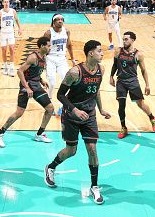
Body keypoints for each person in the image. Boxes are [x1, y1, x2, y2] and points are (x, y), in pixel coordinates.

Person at [44, 40, 111, 205]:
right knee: (71, 151)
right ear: (90, 53)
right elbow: (60, 95)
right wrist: (74, 110)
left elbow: (96, 92)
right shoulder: (75, 72)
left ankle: (94, 187)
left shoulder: (101, 70)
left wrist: (101, 110)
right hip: (71, 116)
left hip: (89, 116)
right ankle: (50, 167)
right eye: (99, 51)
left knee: (92, 149)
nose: (102, 53)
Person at [0, 36, 54, 147]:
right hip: (27, 86)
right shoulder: (33, 57)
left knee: (50, 108)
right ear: (42, 46)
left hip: (36, 85)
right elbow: (20, 72)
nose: (50, 47)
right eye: (49, 45)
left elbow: (35, 72)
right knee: (19, 112)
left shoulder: (44, 56)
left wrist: (41, 80)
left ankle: (39, 134)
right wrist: (27, 87)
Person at [110, 31, 155, 138]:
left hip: (132, 81)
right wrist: (111, 76)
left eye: (126, 39)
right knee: (121, 105)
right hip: (121, 81)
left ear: (132, 40)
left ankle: (152, 118)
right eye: (123, 39)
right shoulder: (118, 51)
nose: (124, 41)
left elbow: (144, 70)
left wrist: (147, 85)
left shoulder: (138, 54)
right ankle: (123, 127)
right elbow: (114, 65)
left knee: (140, 103)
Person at [44, 14, 76, 115]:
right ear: (54, 22)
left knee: (66, 82)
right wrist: (42, 61)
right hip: (51, 58)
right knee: (52, 82)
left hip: (62, 58)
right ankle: (48, 104)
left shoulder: (66, 31)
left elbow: (69, 45)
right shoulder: (48, 33)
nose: (60, 21)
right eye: (58, 20)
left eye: (62, 20)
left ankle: (63, 106)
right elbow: (43, 48)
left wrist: (73, 59)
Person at [0, 0, 22, 77]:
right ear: (2, 3)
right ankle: (5, 66)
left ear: (9, 3)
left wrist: (20, 28)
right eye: (5, 2)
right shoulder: (0, 12)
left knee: (11, 49)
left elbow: (17, 20)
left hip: (11, 33)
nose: (6, 3)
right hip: (3, 33)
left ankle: (11, 67)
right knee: (4, 50)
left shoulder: (13, 11)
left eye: (7, 2)